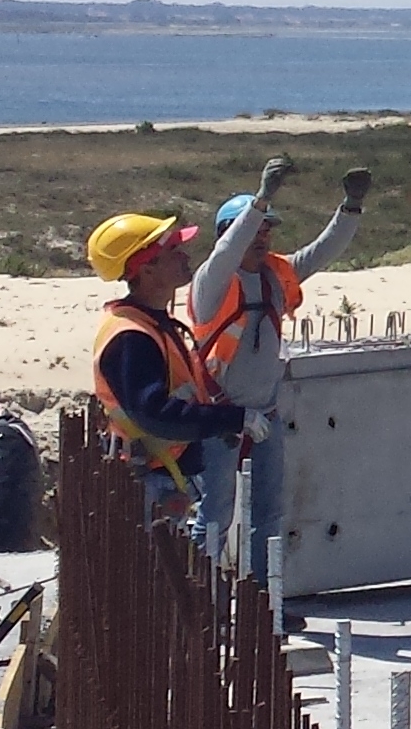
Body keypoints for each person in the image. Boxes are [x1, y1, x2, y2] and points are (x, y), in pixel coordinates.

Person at [184, 165, 370, 579]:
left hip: (265, 416)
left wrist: (351, 207)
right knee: (214, 514)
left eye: (268, 231)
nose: (263, 237)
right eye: (254, 229)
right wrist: (260, 200)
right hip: (219, 418)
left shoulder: (275, 275)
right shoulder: (212, 283)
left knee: (268, 516)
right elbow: (225, 253)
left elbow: (322, 251)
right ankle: (200, 600)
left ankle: (263, 600)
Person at [84, 177, 273, 528]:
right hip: (153, 480)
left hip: (169, 473)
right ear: (146, 268)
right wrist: (233, 419)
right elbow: (155, 413)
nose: (185, 256)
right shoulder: (131, 336)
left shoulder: (153, 323)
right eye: (173, 250)